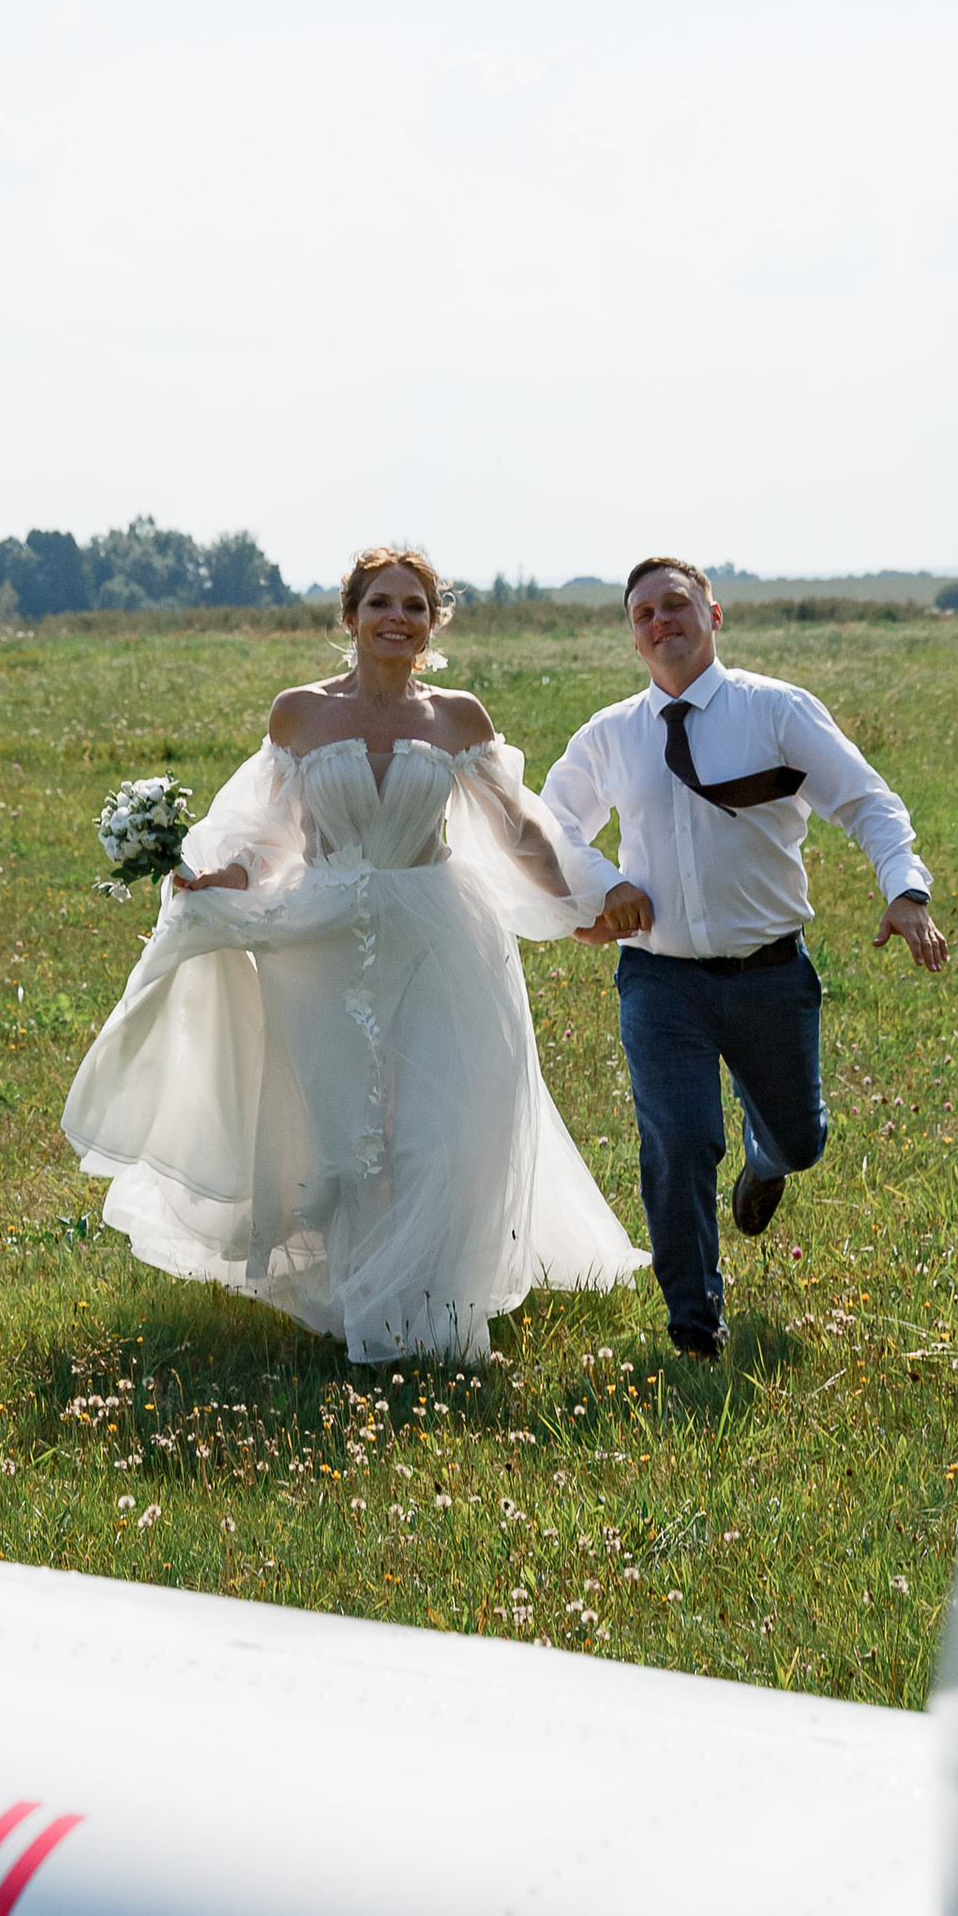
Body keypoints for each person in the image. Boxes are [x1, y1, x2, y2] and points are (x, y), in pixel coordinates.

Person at [62, 548, 644, 1367]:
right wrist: (220, 879)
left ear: (433, 622)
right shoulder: (299, 715)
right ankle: (359, 1294)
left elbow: (519, 829)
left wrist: (574, 901)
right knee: (349, 1134)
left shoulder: (457, 719)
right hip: (321, 942)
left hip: (440, 937)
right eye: (381, 604)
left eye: (414, 605)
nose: (397, 619)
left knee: (437, 1126)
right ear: (351, 617)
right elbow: (266, 833)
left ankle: (433, 1314)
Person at [543, 556, 948, 1360]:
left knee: (801, 1140)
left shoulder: (776, 711)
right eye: (644, 614)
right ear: (632, 635)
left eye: (676, 605)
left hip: (770, 974)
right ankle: (695, 1324)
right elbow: (552, 829)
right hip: (660, 979)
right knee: (679, 1140)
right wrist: (607, 883)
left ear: (714, 615)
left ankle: (768, 1164)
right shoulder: (612, 735)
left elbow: (869, 802)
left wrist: (907, 891)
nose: (662, 621)